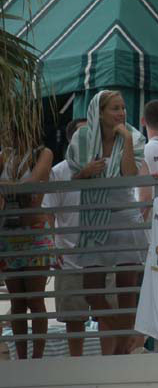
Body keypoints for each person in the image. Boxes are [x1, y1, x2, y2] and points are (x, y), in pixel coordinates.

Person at [66, 90, 147, 355]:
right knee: (93, 292)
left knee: (127, 287)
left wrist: (124, 138)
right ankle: (122, 338)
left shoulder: (133, 136)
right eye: (115, 108)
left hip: (124, 215)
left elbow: (130, 175)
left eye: (123, 107)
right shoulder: (82, 137)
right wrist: (85, 172)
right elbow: (73, 178)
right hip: (94, 217)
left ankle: (121, 352)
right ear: (99, 112)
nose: (122, 113)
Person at [43, 118, 93, 357]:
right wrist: (52, 246)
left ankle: (114, 364)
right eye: (81, 135)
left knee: (112, 314)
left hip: (104, 255)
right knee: (74, 318)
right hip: (70, 256)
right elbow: (48, 212)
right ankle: (77, 364)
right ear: (72, 139)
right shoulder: (59, 172)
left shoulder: (107, 167)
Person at [0, 140, 54, 359]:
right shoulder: (4, 154)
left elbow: (31, 184)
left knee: (35, 298)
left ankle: (37, 358)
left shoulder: (43, 152)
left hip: (34, 232)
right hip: (9, 234)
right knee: (17, 301)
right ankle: (22, 357)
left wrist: (7, 188)